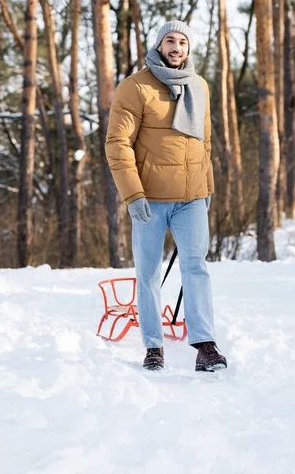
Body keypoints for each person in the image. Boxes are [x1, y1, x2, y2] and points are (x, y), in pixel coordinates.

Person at [105, 20, 227, 372]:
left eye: (183, 42)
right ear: (158, 45)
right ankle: (153, 346)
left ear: (189, 49)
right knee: (147, 273)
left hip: (192, 198)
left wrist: (208, 187)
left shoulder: (199, 86)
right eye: (170, 40)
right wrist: (133, 195)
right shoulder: (135, 87)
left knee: (196, 268)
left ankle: (205, 344)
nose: (177, 47)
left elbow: (204, 143)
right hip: (150, 200)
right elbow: (117, 143)